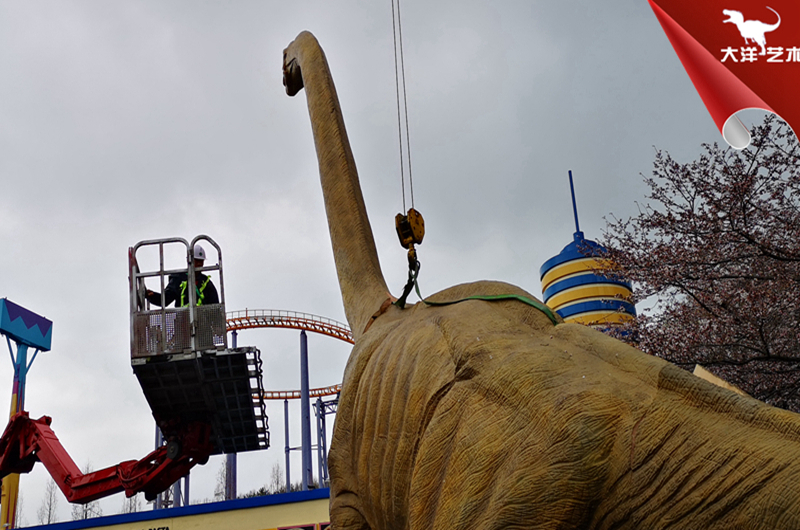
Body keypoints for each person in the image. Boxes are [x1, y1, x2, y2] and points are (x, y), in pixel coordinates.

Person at [145, 244, 219, 307]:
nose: (199, 264)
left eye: (201, 261)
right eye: (196, 261)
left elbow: (215, 307)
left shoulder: (206, 283)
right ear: (189, 260)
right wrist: (152, 296)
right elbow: (166, 299)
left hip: (202, 319)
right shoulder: (179, 279)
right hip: (183, 318)